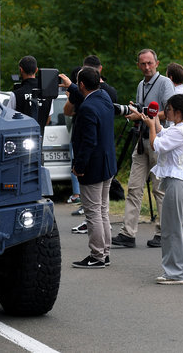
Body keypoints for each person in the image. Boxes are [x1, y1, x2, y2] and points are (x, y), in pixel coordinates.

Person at [112, 49, 175, 248]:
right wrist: (137, 110)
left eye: (149, 63)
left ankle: (163, 233)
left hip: (159, 140)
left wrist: (142, 116)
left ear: (157, 63)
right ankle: (128, 233)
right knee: (134, 187)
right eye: (142, 64)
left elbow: (171, 113)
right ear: (138, 65)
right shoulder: (141, 85)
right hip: (141, 140)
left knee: (159, 189)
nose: (146, 67)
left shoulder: (164, 83)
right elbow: (147, 110)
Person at [142, 94, 183, 284]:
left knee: (170, 230)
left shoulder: (179, 131)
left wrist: (150, 126)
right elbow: (162, 133)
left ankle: (175, 273)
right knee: (176, 230)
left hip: (177, 184)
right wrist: (153, 118)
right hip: (182, 184)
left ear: (178, 112)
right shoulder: (182, 128)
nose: (167, 112)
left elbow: (157, 145)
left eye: (170, 109)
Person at [70, 66, 117, 268]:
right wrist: (71, 86)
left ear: (81, 84)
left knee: (92, 212)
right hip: (108, 164)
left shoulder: (87, 108)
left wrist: (79, 166)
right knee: (103, 210)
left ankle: (97, 255)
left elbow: (88, 142)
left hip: (93, 167)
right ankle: (104, 252)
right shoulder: (105, 97)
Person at [7, 55, 52, 127]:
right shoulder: (47, 93)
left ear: (21, 70)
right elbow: (48, 118)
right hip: (40, 135)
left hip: (20, 135)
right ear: (36, 70)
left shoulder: (16, 94)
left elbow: (8, 118)